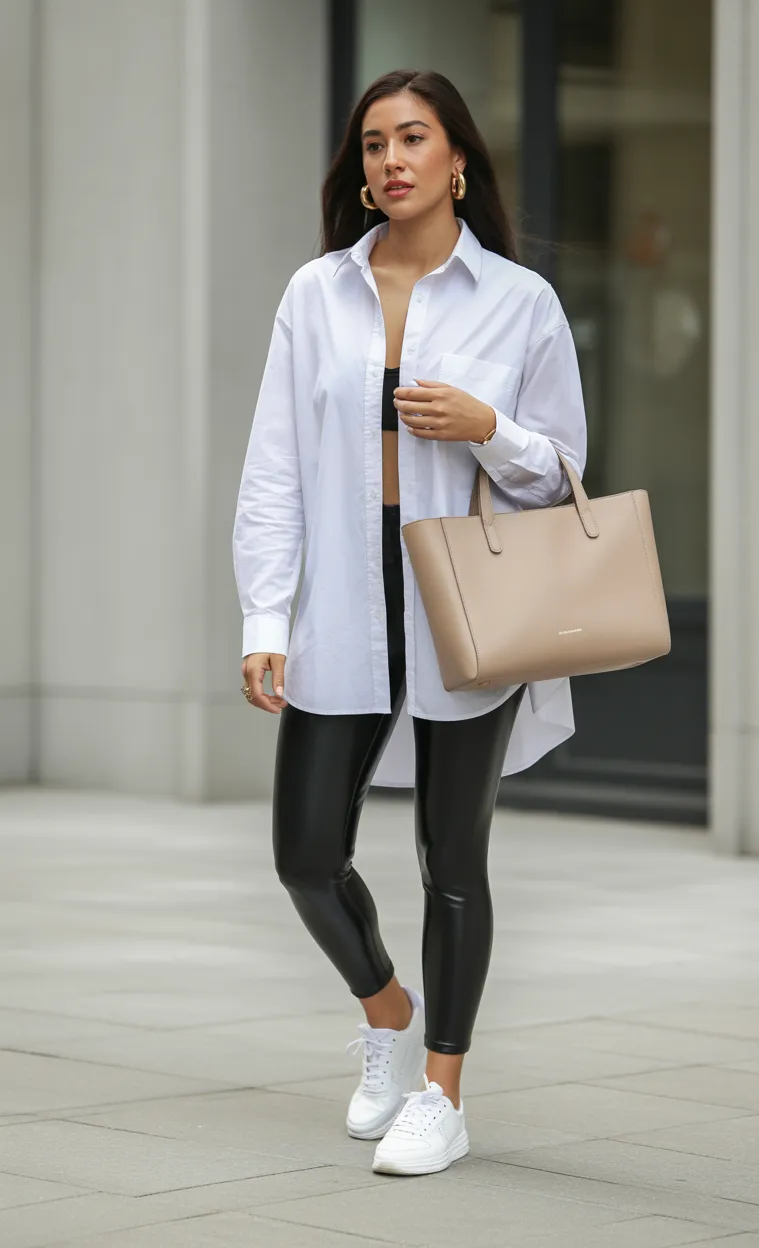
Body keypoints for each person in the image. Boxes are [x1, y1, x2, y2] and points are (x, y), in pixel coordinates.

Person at [232, 68, 586, 1177]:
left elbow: (565, 470)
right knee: (303, 855)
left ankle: (442, 1088)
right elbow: (274, 468)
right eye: (374, 143)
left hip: (465, 611)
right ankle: (387, 1011)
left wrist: (490, 428)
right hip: (342, 606)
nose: (390, 160)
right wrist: (263, 612)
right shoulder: (314, 294)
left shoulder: (518, 302)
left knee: (453, 862)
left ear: (458, 161)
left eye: (413, 139)